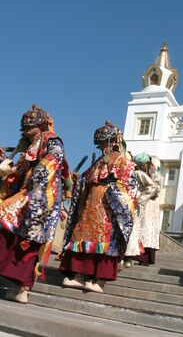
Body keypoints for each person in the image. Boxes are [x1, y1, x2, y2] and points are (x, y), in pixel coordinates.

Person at [0, 105, 68, 303]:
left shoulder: (53, 142)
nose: (25, 131)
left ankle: (13, 282)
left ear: (41, 125)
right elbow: (18, 171)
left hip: (41, 194)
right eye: (23, 128)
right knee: (7, 224)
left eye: (29, 127)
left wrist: (36, 181)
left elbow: (54, 162)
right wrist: (4, 162)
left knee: (15, 227)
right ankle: (5, 276)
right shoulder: (30, 146)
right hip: (26, 191)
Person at [59, 121, 136, 293]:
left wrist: (112, 189)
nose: (102, 147)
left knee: (104, 238)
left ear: (114, 141)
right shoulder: (98, 162)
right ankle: (79, 274)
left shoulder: (124, 160)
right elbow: (87, 180)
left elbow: (129, 186)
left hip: (109, 206)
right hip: (90, 204)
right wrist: (78, 181)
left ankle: (98, 278)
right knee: (82, 234)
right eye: (100, 144)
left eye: (105, 143)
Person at [124, 152, 162, 267]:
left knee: (148, 228)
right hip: (140, 204)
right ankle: (134, 254)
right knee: (139, 227)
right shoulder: (137, 173)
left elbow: (156, 188)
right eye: (140, 165)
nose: (142, 167)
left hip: (150, 203)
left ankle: (145, 258)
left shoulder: (154, 174)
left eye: (144, 165)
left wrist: (141, 198)